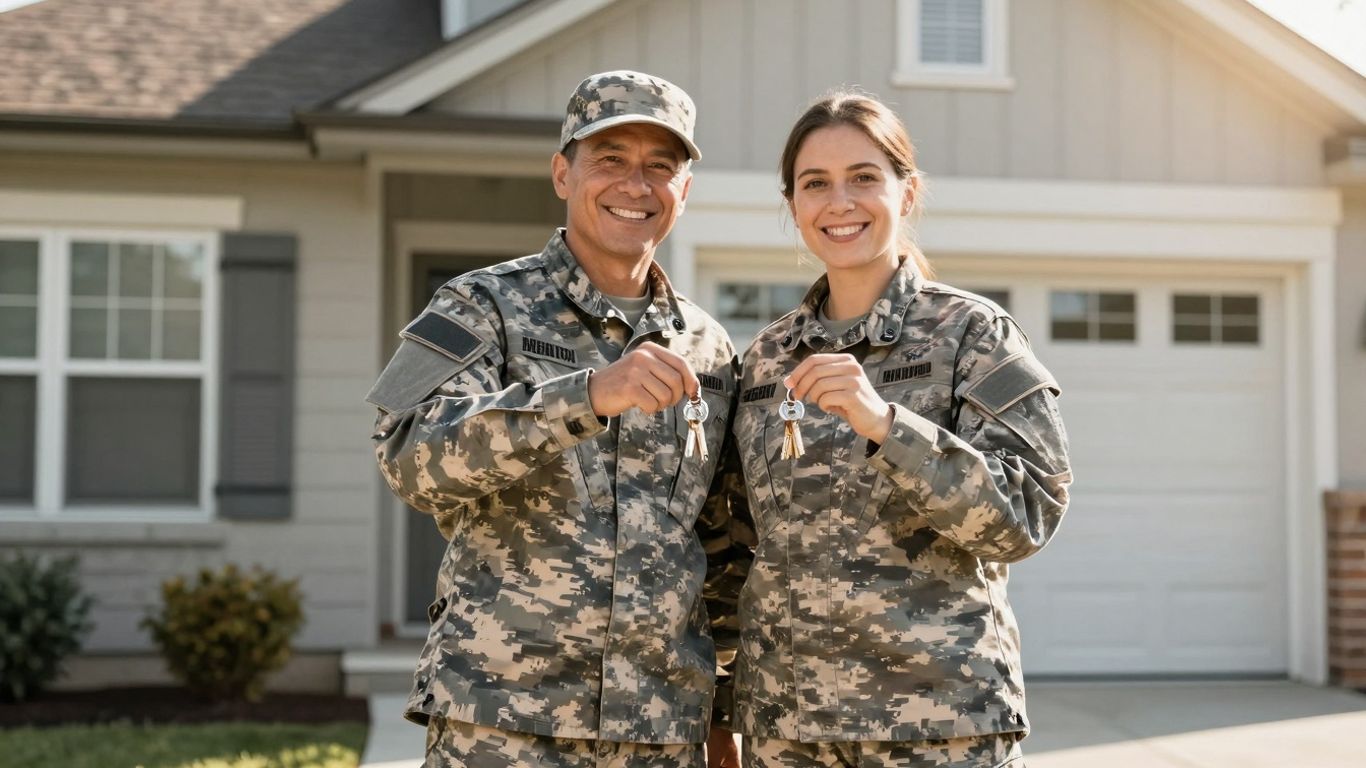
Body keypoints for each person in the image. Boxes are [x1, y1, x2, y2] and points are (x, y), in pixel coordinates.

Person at [365, 70, 751, 768]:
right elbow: (409, 455)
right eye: (610, 160)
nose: (636, 185)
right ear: (562, 173)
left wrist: (722, 713)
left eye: (659, 167)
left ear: (684, 192)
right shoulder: (479, 306)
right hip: (505, 722)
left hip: (660, 730)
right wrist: (584, 398)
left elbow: (722, 547)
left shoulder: (709, 348)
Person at [719, 92, 1072, 767]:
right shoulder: (765, 359)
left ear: (906, 194)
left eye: (863, 177)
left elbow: (1026, 516)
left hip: (938, 726)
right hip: (790, 731)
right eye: (815, 183)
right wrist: (721, 709)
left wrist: (887, 426)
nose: (839, 201)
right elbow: (735, 550)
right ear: (793, 205)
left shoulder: (973, 335)